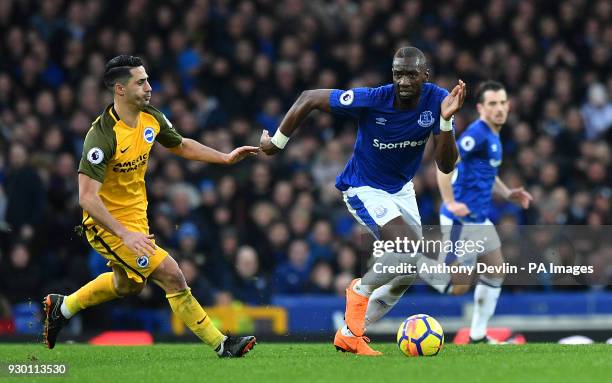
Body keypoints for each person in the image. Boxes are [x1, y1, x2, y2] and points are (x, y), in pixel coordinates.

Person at [43, 55, 259, 357]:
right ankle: (222, 344)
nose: (149, 87)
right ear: (120, 89)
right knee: (172, 274)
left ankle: (63, 307)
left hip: (136, 220)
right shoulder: (101, 135)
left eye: (147, 80)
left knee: (127, 286)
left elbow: (180, 144)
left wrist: (224, 157)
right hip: (106, 225)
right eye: (140, 82)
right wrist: (123, 234)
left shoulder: (151, 117)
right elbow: (87, 197)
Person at [261, 47, 466, 355]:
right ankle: (359, 291)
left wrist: (447, 122)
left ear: (425, 75)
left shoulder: (438, 100)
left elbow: (446, 166)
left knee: (407, 271)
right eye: (398, 74)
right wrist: (276, 144)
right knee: (407, 250)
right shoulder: (373, 99)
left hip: (401, 189)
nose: (404, 81)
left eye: (411, 74)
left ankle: (350, 332)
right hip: (363, 188)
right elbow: (308, 98)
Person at [435, 80, 532, 343]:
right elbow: (444, 163)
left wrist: (506, 192)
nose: (499, 108)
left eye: (502, 103)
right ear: (480, 107)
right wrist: (450, 201)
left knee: (496, 270)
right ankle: (407, 264)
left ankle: (478, 335)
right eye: (492, 103)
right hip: (461, 219)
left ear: (508, 105)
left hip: (478, 218)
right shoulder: (476, 134)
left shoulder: (493, 134)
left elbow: (487, 171)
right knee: (457, 287)